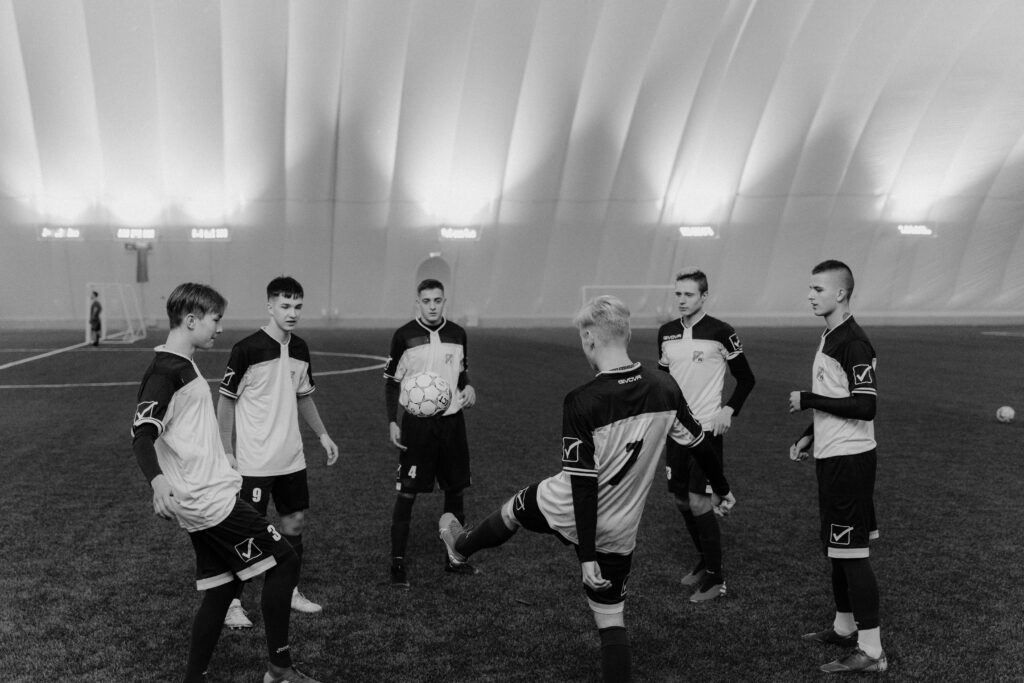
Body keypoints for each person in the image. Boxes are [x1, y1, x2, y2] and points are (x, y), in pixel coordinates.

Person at [438, 295, 736, 682]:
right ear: (626, 334)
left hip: (564, 506)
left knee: (514, 509)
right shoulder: (666, 387)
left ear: (590, 339)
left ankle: (460, 548)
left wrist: (586, 556)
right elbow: (701, 445)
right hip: (620, 528)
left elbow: (582, 483)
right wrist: (723, 487)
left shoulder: (582, 401)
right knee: (611, 620)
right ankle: (460, 547)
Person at [131, 282, 321, 683]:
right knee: (285, 561)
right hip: (208, 501)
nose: (219, 329)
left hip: (206, 495)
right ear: (191, 320)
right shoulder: (165, 372)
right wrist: (157, 481)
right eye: (216, 320)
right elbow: (142, 434)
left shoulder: (183, 363)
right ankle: (280, 669)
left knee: (220, 592)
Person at [218, 276, 339, 629]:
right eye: (285, 306)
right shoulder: (247, 349)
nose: (292, 313)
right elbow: (226, 401)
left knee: (294, 524)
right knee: (248, 534)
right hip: (254, 462)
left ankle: (288, 590)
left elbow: (304, 395)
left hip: (292, 459)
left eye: (298, 306)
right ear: (269, 306)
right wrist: (227, 449)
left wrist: (322, 434)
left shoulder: (300, 348)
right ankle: (232, 602)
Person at [788, 259, 886, 674]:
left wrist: (809, 399)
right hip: (833, 456)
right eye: (810, 288)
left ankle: (872, 651)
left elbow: (865, 405)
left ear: (841, 293)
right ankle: (844, 627)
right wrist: (811, 433)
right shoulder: (830, 335)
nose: (810, 295)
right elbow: (838, 393)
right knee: (837, 548)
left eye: (818, 289)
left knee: (852, 552)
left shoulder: (852, 342)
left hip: (850, 460)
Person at [656, 269, 755, 602]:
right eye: (678, 294)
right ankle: (704, 560)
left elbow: (747, 379)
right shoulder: (666, 334)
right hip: (674, 430)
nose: (682, 300)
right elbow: (664, 385)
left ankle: (716, 579)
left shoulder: (721, 333)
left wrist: (729, 410)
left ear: (703, 297)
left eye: (689, 294)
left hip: (706, 430)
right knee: (681, 498)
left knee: (700, 499)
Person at [384, 278, 477, 587]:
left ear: (444, 302)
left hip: (452, 423)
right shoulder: (404, 336)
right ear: (418, 303)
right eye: (427, 301)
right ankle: (397, 563)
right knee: (407, 492)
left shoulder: (457, 333)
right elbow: (391, 381)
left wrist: (468, 388)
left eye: (438, 300)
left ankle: (456, 557)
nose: (433, 306)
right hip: (416, 425)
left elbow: (462, 375)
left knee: (455, 490)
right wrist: (392, 421)